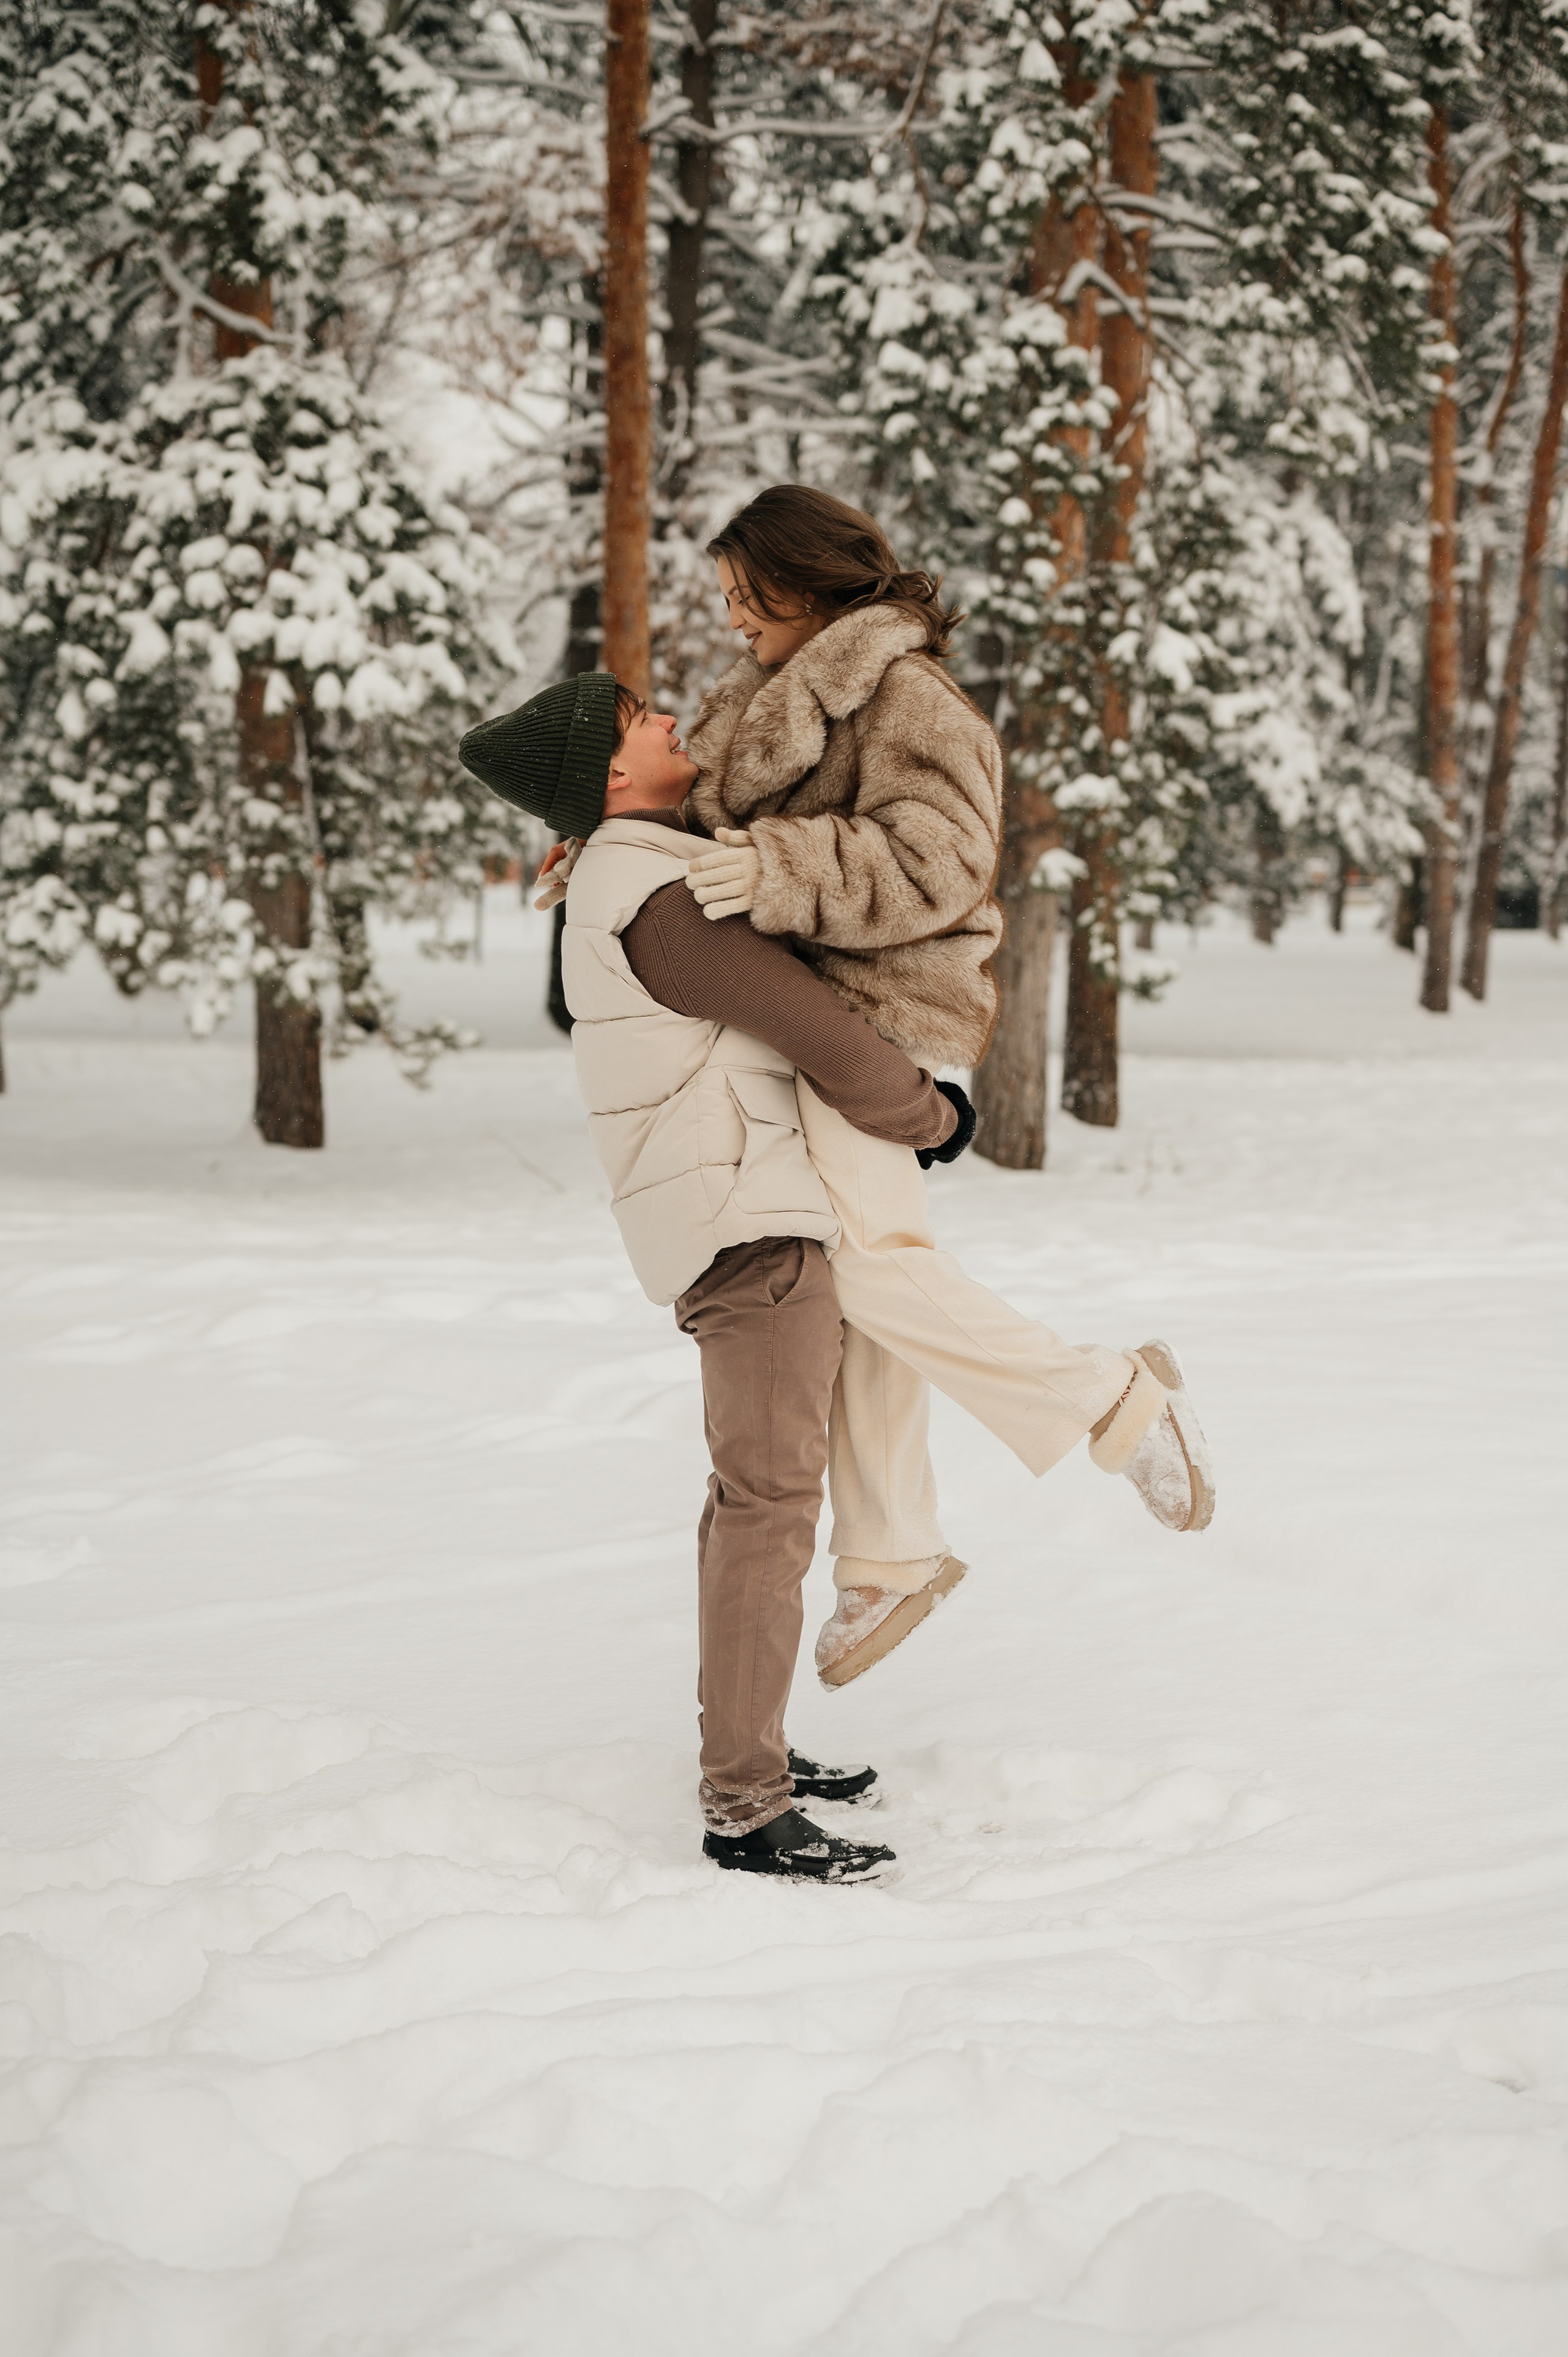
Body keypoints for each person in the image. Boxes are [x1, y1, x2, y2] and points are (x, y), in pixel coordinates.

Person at [676, 483, 1215, 1682]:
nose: (728, 621)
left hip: (865, 1016)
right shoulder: (760, 697)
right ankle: (886, 1556)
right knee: (862, 1280)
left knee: (866, 1270)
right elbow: (691, 806)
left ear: (807, 584)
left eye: (743, 597)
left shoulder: (908, 695)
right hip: (791, 1017)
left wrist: (773, 867)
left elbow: (940, 861)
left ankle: (1110, 1401)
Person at [460, 669, 973, 1882]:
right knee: (767, 1504)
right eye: (637, 717)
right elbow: (801, 1018)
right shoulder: (647, 892)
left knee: (752, 1498)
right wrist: (922, 1115)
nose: (665, 718)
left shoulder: (627, 871)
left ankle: (754, 1750)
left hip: (735, 1211)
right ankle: (743, 1803)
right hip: (748, 1222)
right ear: (607, 776)